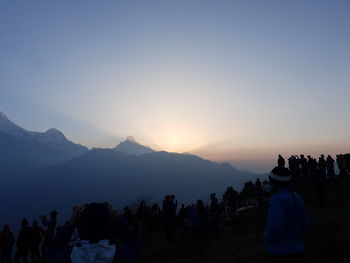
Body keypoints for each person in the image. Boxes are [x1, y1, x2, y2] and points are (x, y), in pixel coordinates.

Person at [45, 202, 140, 263]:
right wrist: (117, 217)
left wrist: (71, 223)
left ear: (80, 229)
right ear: (109, 228)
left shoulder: (68, 258)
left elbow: (53, 250)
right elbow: (134, 243)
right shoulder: (121, 256)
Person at [264, 167, 310, 263]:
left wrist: (266, 236)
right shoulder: (297, 197)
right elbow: (305, 223)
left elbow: (275, 227)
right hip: (299, 249)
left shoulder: (276, 199)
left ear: (274, 182)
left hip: (279, 252)